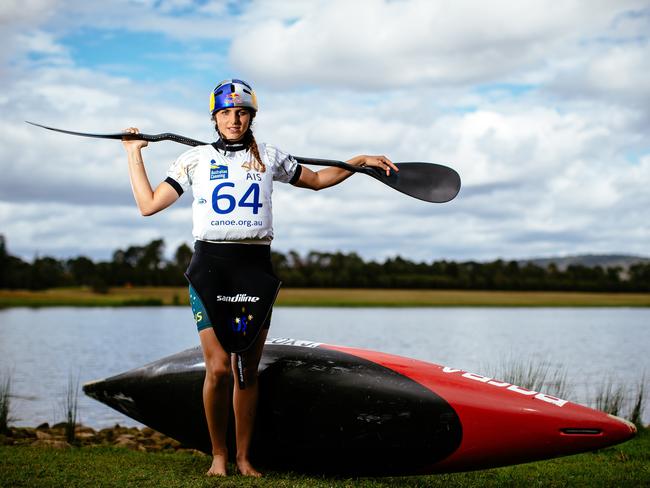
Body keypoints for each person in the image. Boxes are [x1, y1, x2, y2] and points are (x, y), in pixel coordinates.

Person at [121, 78, 397, 477]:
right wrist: (133, 154)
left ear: (251, 116)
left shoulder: (269, 156)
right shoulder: (193, 160)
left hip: (254, 267)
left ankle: (244, 458)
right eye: (226, 112)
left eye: (242, 112)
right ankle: (218, 455)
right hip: (210, 267)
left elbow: (317, 180)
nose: (234, 119)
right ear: (214, 118)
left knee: (246, 370)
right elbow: (148, 205)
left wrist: (356, 162)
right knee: (217, 369)